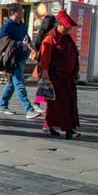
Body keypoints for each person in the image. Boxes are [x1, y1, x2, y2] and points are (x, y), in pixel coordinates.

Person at [38, 10, 81, 140]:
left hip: (68, 77)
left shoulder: (66, 37)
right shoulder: (50, 38)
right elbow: (44, 58)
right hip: (55, 77)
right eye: (67, 28)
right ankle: (68, 130)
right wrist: (45, 74)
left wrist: (76, 71)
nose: (68, 30)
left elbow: (73, 55)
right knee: (61, 104)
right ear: (59, 25)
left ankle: (48, 125)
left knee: (59, 104)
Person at [0, 3, 42, 120]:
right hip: (13, 58)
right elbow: (1, 41)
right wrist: (18, 44)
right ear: (13, 13)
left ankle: (2, 105)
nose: (23, 12)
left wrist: (33, 51)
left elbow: (27, 39)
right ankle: (29, 109)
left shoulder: (21, 24)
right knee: (20, 84)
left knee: (12, 83)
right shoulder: (8, 25)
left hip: (22, 57)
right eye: (20, 11)